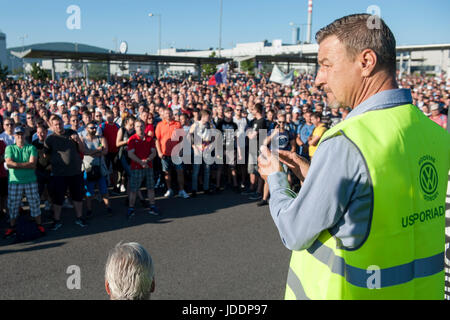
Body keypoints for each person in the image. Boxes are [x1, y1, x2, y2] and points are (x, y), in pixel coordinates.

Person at [258, 14, 450, 300]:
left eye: (325, 65)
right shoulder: (436, 135)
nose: (317, 80)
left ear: (366, 62)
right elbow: (383, 204)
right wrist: (314, 177)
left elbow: (294, 232)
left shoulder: (345, 142)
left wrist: (275, 178)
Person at [44, 115, 87, 230]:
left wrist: (78, 140)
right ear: (52, 126)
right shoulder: (50, 139)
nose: (59, 126)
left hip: (75, 171)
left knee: (77, 197)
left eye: (60, 124)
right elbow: (45, 155)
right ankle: (56, 220)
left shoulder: (72, 133)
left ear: (63, 123)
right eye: (56, 125)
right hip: (59, 174)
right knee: (58, 199)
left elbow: (82, 149)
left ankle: (80, 217)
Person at [4, 126, 45, 238]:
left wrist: (16, 165)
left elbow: (33, 164)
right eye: (17, 134)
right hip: (14, 181)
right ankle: (12, 226)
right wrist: (24, 165)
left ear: (24, 135)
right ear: (14, 135)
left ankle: (39, 224)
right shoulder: (9, 148)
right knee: (13, 205)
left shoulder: (31, 148)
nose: (20, 136)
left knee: (35, 204)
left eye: (21, 134)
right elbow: (8, 163)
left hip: (30, 180)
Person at [155, 108, 189, 199]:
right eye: (166, 113)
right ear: (163, 115)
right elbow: (157, 140)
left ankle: (181, 190)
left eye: (170, 113)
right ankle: (169, 189)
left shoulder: (177, 124)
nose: (168, 115)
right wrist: (159, 152)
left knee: (180, 172)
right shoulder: (160, 125)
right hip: (165, 153)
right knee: (167, 172)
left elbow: (182, 138)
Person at [127, 119, 159, 218]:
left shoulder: (150, 139)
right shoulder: (132, 139)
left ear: (144, 127)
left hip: (148, 166)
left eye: (141, 126)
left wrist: (147, 160)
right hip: (136, 167)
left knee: (150, 187)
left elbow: (153, 152)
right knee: (133, 189)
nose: (140, 128)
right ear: (134, 127)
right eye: (137, 126)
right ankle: (131, 208)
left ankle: (152, 206)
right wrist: (141, 162)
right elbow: (130, 154)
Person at [82, 121, 112, 218]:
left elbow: (105, 151)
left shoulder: (101, 138)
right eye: (91, 128)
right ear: (86, 129)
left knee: (104, 189)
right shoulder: (83, 140)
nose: (94, 129)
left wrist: (93, 152)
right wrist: (97, 151)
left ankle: (108, 207)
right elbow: (84, 152)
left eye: (95, 127)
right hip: (88, 168)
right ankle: (89, 210)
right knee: (89, 192)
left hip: (100, 167)